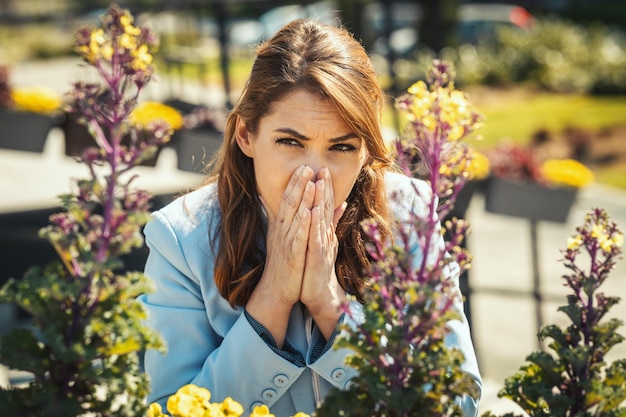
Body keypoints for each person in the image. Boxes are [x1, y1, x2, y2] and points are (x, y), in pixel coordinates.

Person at [139, 18, 481, 417]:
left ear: (367, 150)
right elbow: (167, 410)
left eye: (341, 147)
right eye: (290, 142)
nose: (315, 173)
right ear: (246, 136)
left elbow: (460, 403)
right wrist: (272, 298)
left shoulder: (410, 213)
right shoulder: (181, 238)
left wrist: (331, 304)